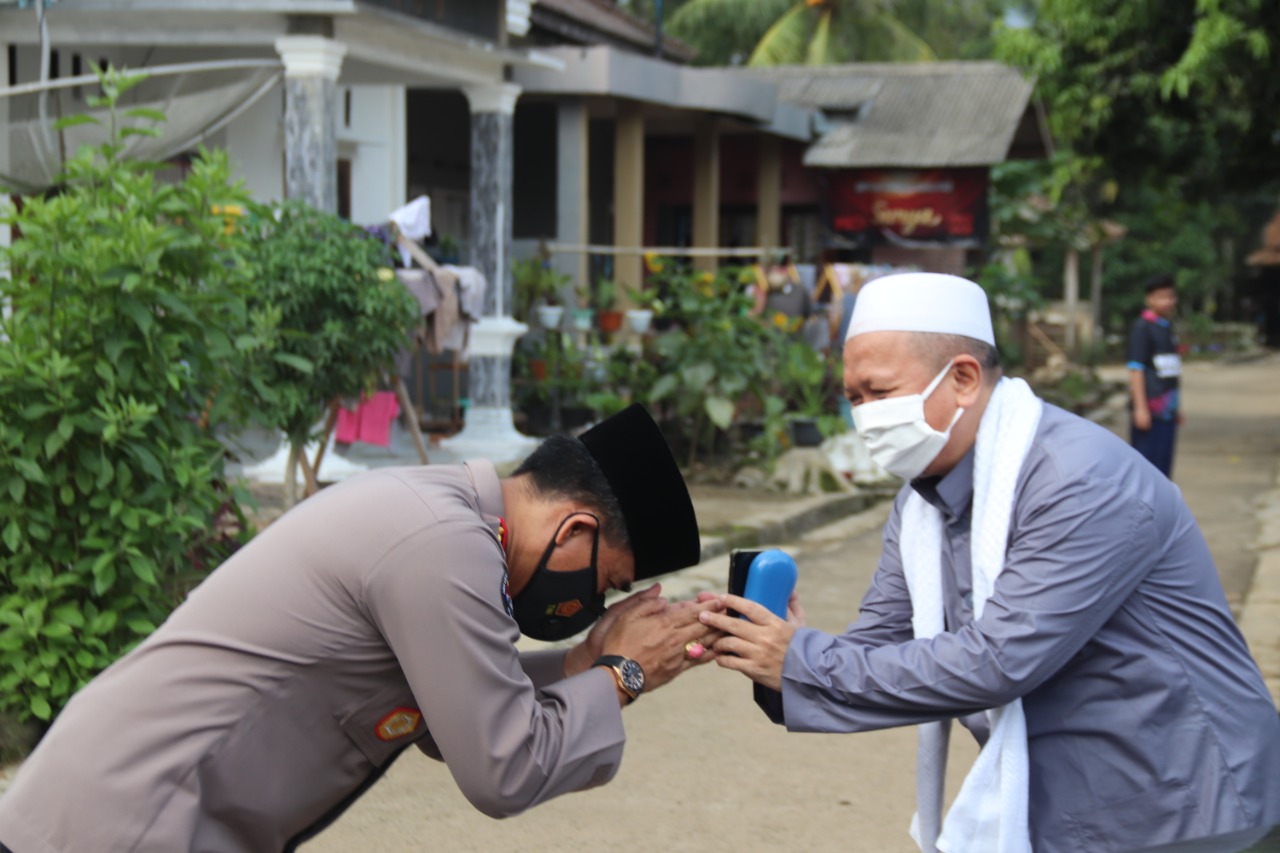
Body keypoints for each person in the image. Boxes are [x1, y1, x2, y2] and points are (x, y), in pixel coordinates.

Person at [698, 274, 1280, 853]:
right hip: (1065, 807)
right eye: (853, 399)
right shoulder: (921, 501)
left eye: (879, 393)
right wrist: (773, 652)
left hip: (1188, 803)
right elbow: (882, 642)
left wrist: (801, 661)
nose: (865, 416)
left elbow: (999, 659)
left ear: (964, 379)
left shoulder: (1079, 480)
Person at [0, 404, 725, 853]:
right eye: (605, 582)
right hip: (124, 824)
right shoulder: (443, 546)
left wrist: (584, 663)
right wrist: (620, 675)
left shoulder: (444, 519)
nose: (594, 603)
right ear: (575, 529)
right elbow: (503, 766)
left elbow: (460, 710)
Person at [1127, 273, 1183, 477]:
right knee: (1148, 468)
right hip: (1150, 411)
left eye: (1170, 296)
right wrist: (1140, 408)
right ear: (1149, 298)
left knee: (1164, 467)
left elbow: (1169, 371)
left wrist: (1176, 407)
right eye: (1161, 297)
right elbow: (1136, 369)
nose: (1167, 301)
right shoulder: (1142, 328)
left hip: (1167, 410)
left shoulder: (1167, 327)